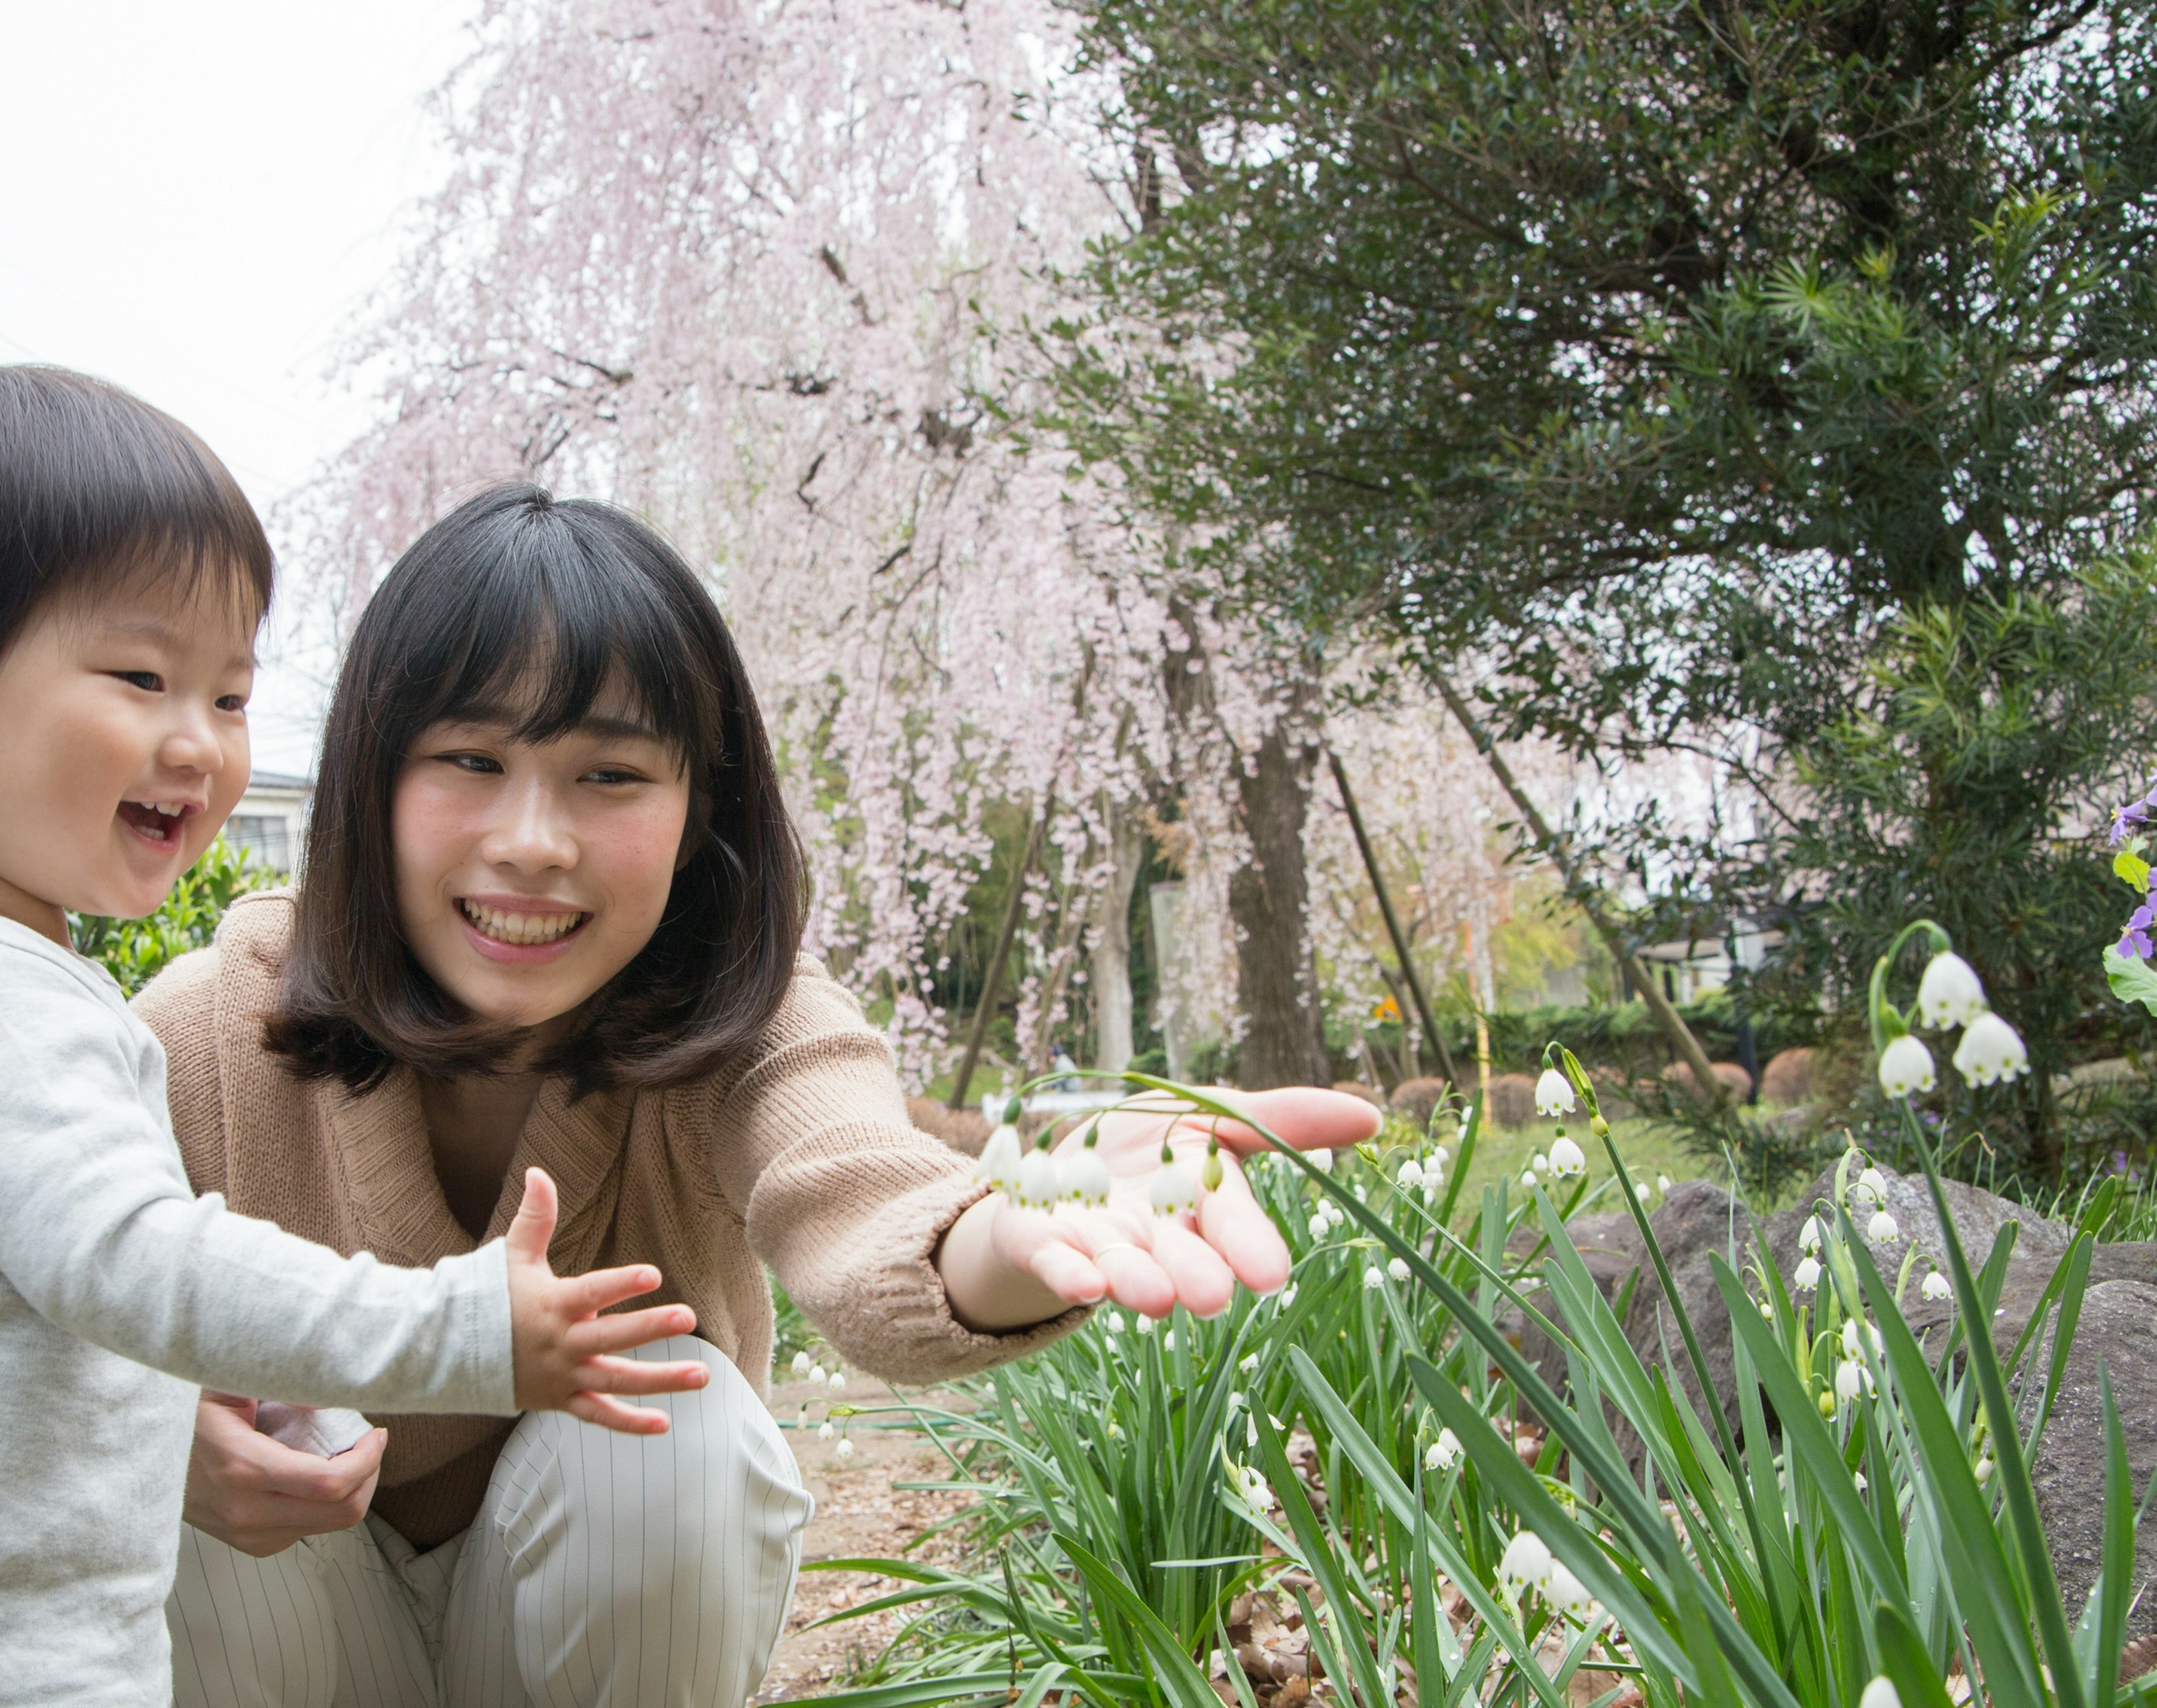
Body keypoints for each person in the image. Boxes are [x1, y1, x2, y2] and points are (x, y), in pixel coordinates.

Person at [139, 484, 1384, 1708]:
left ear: (696, 817)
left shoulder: (738, 1025)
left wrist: (1010, 1230)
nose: (534, 840)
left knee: (671, 1426)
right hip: (275, 1612)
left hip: (583, 1624)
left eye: (610, 775)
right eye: (471, 758)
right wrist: (149, 1439)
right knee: (128, 1428)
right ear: (372, 781)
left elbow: (855, 1185)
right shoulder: (201, 1034)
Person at [0, 372, 706, 1708]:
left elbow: (47, 1326)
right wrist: (462, 1327)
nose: (202, 745)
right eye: (141, 676)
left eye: (230, 696)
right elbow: (138, 1261)